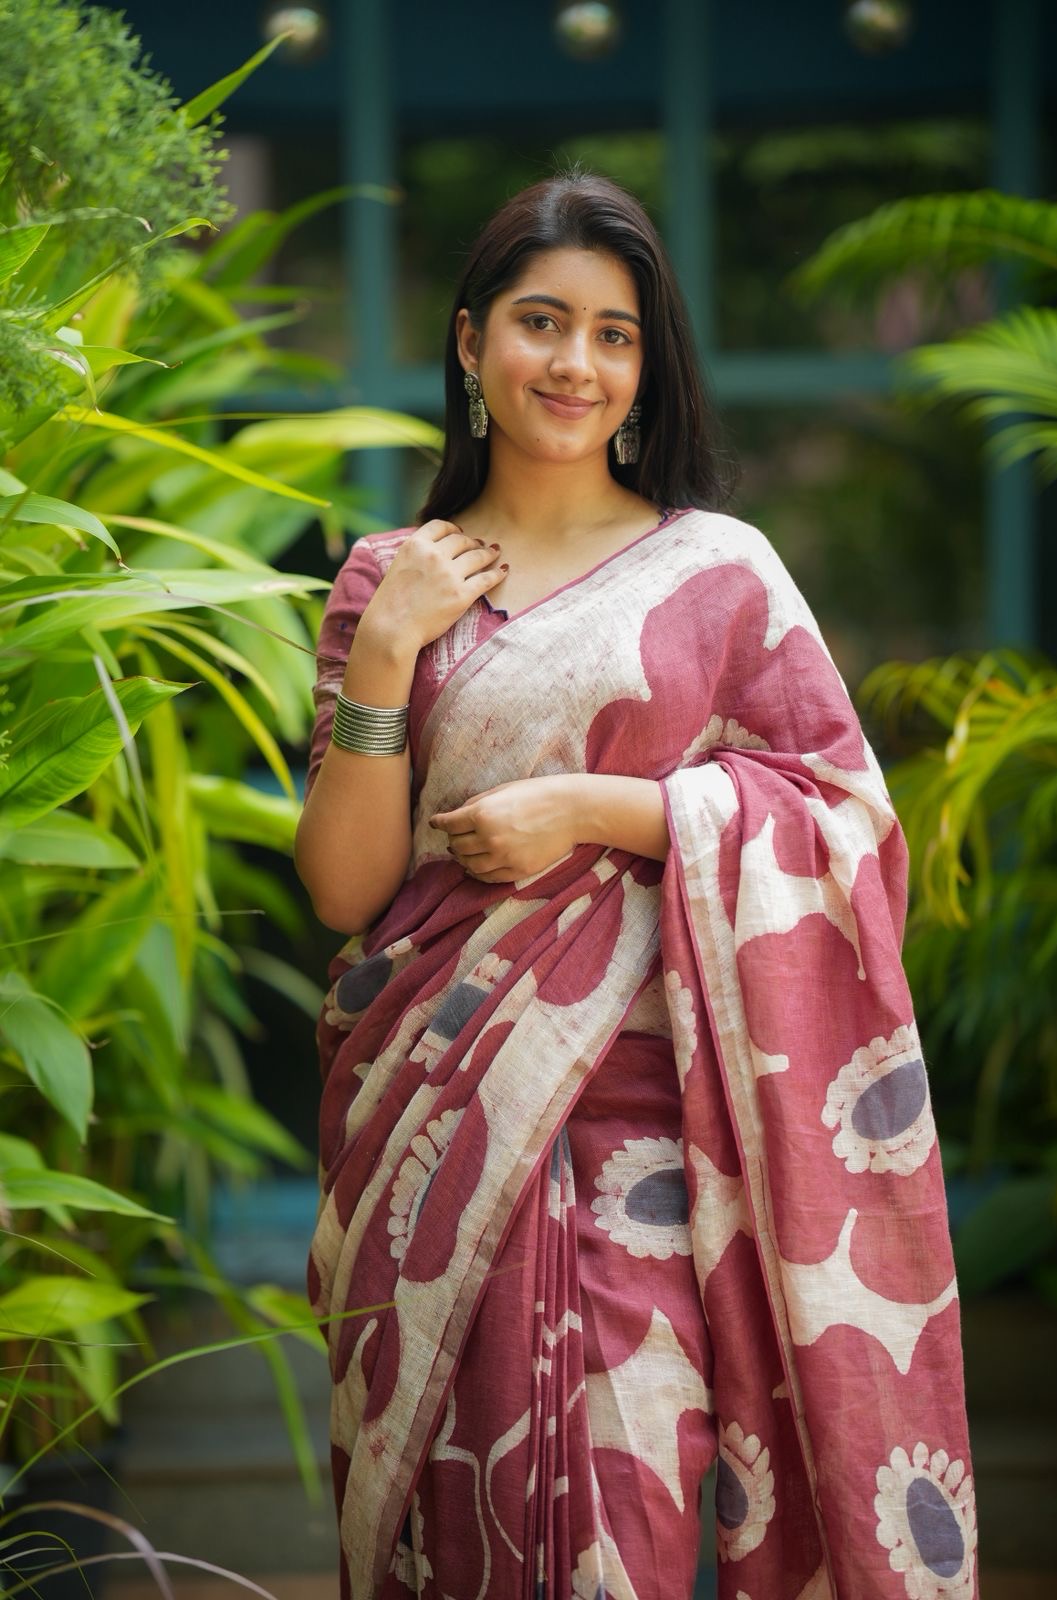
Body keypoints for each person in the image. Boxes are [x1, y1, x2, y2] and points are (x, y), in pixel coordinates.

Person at [295, 169, 977, 1600]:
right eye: (542, 324)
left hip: (660, 1147)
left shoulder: (718, 576)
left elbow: (845, 827)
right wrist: (380, 657)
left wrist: (601, 811)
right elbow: (346, 889)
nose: (577, 364)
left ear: (646, 368)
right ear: (473, 343)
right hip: (436, 1139)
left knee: (634, 1518)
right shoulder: (389, 580)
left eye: (615, 336)